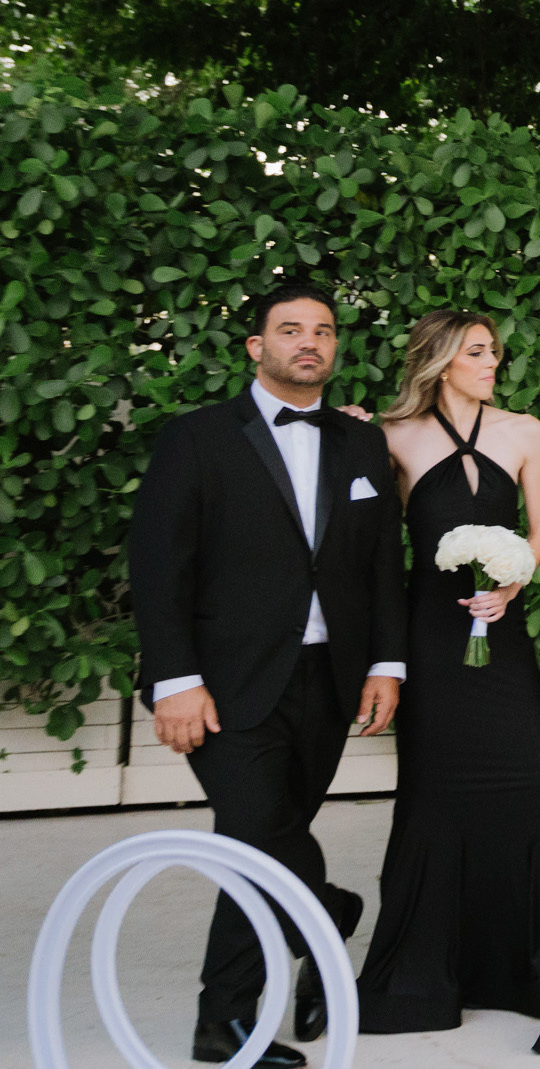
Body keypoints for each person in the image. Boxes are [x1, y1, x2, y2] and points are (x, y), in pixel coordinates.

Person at [128, 281, 408, 1069]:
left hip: (329, 679)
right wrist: (174, 677)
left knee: (256, 842)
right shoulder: (197, 439)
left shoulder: (362, 445)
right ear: (257, 346)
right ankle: (275, 971)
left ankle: (259, 986)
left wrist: (386, 662)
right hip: (225, 682)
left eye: (322, 330)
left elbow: (383, 561)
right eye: (289, 329)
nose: (308, 342)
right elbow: (158, 566)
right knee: (257, 837)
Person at [355, 312, 540, 1050]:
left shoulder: (525, 429)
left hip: (504, 636)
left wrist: (513, 582)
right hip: (431, 643)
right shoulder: (394, 437)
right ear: (439, 360)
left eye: (495, 349)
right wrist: (346, 427)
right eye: (477, 351)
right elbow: (369, 541)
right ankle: (437, 965)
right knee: (435, 794)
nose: (493, 360)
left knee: (534, 778)